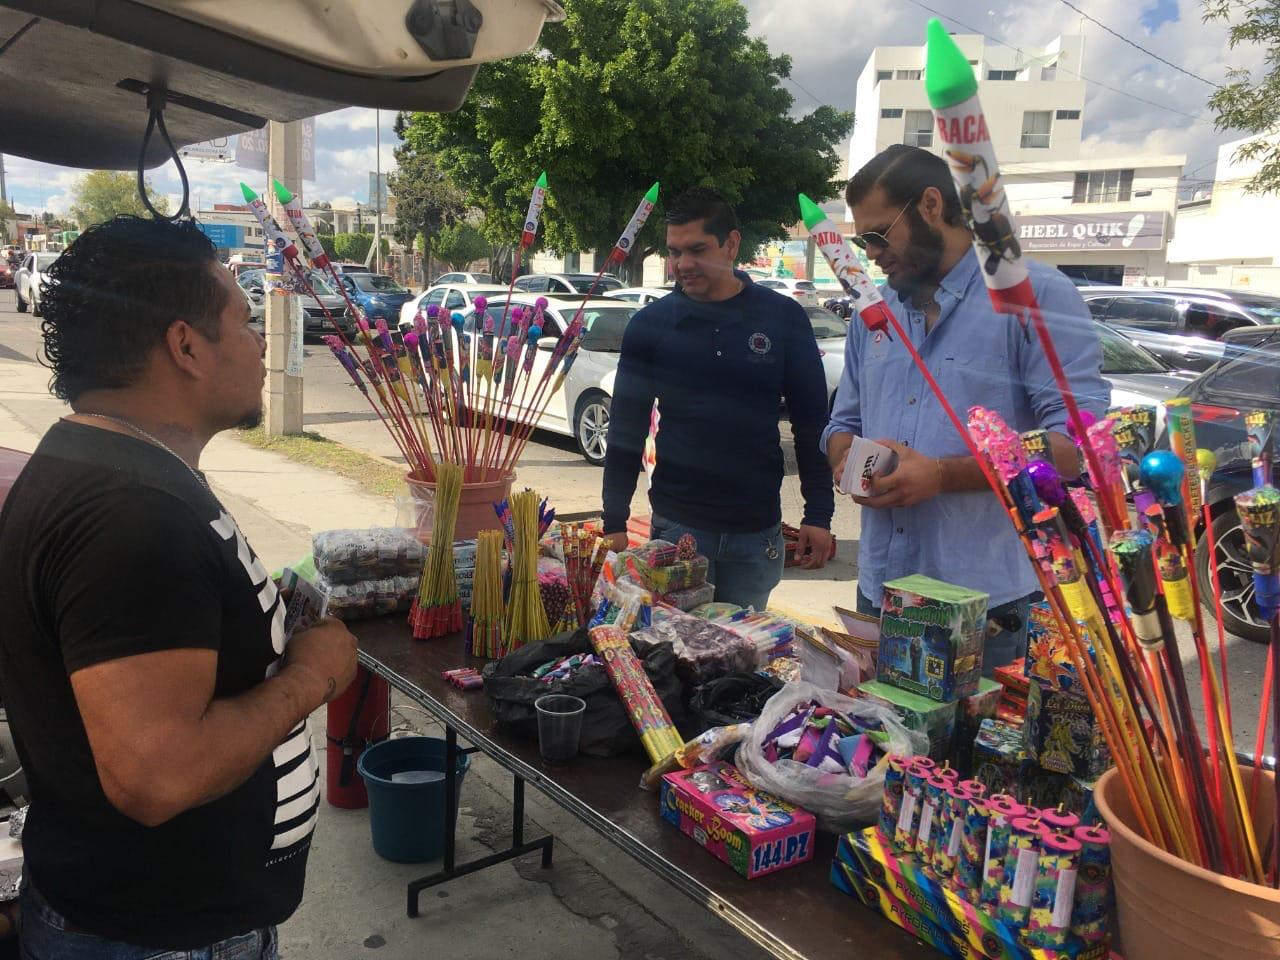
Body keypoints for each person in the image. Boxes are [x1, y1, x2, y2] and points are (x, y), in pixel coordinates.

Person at [0, 216, 358, 958]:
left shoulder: (115, 466)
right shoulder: (130, 517)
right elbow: (157, 776)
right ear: (186, 346)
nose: (261, 342)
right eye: (245, 319)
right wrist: (311, 680)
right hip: (158, 939)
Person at [824, 145, 1107, 672]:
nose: (872, 254)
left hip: (985, 606)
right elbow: (843, 423)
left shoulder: (1032, 295)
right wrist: (847, 463)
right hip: (880, 589)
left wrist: (942, 475)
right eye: (863, 241)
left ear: (931, 206)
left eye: (879, 235)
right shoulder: (874, 312)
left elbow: (1075, 449)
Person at [601, 188, 834, 611]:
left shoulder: (782, 318)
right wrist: (614, 520)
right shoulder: (651, 326)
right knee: (677, 645)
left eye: (697, 250)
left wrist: (818, 514)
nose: (682, 264)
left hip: (756, 532)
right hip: (679, 530)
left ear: (731, 244)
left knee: (748, 648)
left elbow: (811, 422)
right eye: (674, 252)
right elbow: (625, 429)